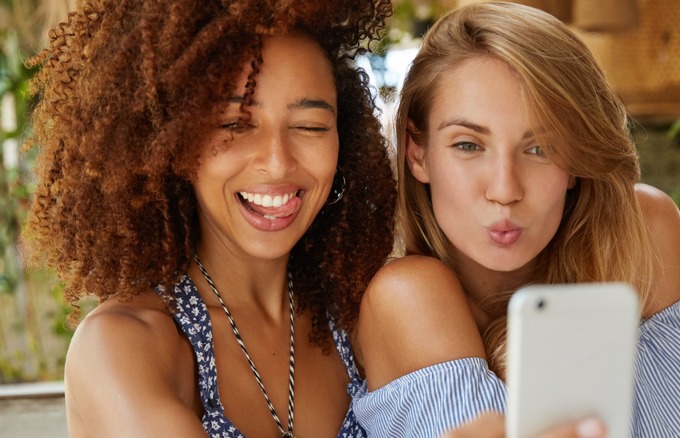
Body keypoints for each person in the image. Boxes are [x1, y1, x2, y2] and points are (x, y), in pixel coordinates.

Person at [351, 2, 680, 437]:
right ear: (418, 153)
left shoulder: (641, 232)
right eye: (468, 145)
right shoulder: (407, 295)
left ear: (575, 160)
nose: (504, 189)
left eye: (540, 148)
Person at [22, 0, 398, 436]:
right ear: (170, 140)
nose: (277, 163)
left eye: (311, 126)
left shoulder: (359, 318)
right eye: (234, 125)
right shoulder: (122, 345)